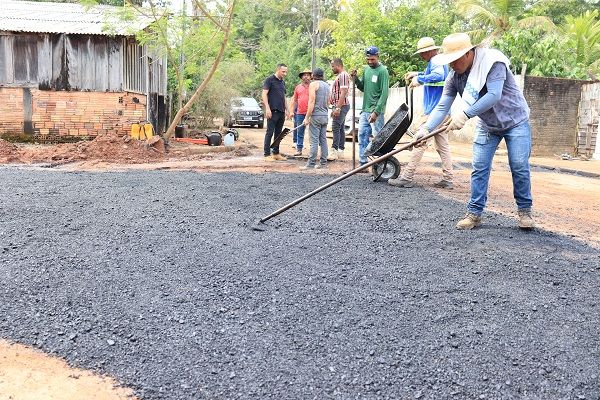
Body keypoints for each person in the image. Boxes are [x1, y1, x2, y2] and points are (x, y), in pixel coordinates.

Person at [414, 32, 535, 230]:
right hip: (488, 125)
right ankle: (474, 214)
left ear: (469, 53)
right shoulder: (454, 76)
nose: (452, 65)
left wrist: (465, 114)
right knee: (479, 167)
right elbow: (443, 105)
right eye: (449, 61)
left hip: (515, 121)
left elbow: (494, 95)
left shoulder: (493, 63)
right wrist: (425, 128)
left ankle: (524, 211)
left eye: (455, 59)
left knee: (519, 165)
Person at [388, 37, 452, 189]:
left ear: (429, 51)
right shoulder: (439, 61)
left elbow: (438, 76)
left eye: (422, 53)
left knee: (420, 142)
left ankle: (407, 177)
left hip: (435, 112)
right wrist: (416, 73)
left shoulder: (436, 61)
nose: (421, 56)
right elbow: (435, 74)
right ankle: (448, 178)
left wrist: (420, 79)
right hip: (443, 111)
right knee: (442, 146)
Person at [350, 46, 389, 166]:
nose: (370, 62)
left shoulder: (383, 71)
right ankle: (363, 163)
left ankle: (380, 163)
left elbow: (384, 93)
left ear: (377, 56)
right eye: (368, 59)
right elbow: (363, 87)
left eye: (372, 59)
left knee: (377, 138)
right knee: (361, 136)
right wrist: (355, 79)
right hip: (365, 109)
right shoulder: (366, 70)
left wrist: (376, 112)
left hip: (376, 111)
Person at [301, 68, 331, 170]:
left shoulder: (313, 84)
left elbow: (312, 101)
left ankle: (311, 164)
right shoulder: (327, 86)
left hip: (316, 116)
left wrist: (307, 117)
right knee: (323, 140)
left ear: (313, 75)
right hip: (325, 115)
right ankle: (323, 163)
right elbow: (328, 102)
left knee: (313, 141)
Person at [262, 63, 290, 161]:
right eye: (283, 71)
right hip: (272, 111)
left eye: (286, 72)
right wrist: (267, 108)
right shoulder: (269, 80)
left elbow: (284, 97)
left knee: (279, 133)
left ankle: (276, 153)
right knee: (269, 132)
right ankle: (266, 154)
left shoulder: (282, 82)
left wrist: (288, 110)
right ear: (278, 70)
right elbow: (264, 94)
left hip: (281, 111)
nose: (285, 73)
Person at [329, 58, 351, 160]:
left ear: (338, 66)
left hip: (342, 105)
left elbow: (343, 92)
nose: (332, 68)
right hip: (340, 105)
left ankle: (334, 150)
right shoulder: (340, 76)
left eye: (333, 66)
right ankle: (340, 151)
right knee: (340, 128)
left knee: (335, 127)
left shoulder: (343, 75)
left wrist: (338, 108)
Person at [288, 69, 312, 156]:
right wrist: (291, 111)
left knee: (312, 132)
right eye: (304, 75)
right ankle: (299, 149)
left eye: (308, 75)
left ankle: (312, 151)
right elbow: (294, 100)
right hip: (300, 113)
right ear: (301, 77)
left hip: (311, 113)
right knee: (300, 132)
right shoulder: (298, 87)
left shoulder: (313, 86)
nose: (306, 76)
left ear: (310, 77)